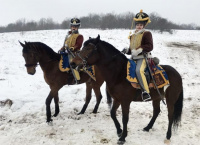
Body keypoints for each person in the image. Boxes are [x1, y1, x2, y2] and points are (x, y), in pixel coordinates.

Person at [123, 10, 153, 101]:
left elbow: (150, 46)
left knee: (139, 70)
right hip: (133, 58)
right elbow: (132, 49)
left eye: (140, 25)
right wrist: (127, 50)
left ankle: (145, 92)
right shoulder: (132, 36)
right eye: (137, 25)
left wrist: (140, 49)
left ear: (144, 25)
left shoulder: (147, 34)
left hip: (143, 57)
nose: (139, 26)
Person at [59, 18, 84, 84]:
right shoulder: (68, 36)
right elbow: (65, 44)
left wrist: (73, 48)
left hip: (74, 53)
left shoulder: (80, 36)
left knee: (72, 64)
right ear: (70, 26)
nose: (74, 28)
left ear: (78, 27)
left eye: (76, 26)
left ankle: (77, 79)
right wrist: (62, 48)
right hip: (66, 52)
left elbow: (78, 44)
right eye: (73, 26)